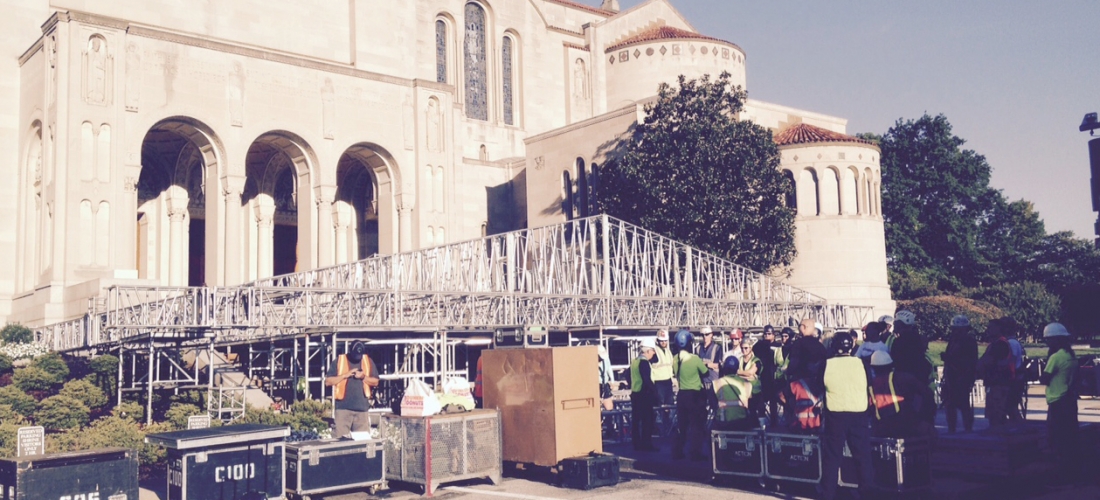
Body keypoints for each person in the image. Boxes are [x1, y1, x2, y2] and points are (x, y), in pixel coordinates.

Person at [821, 332, 873, 500]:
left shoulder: (826, 364)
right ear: (851, 346)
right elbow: (868, 384)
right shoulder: (862, 363)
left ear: (834, 346)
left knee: (832, 457)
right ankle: (867, 493)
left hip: (835, 414)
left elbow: (817, 386)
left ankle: (828, 494)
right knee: (862, 456)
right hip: (859, 413)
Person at [1041, 322, 1079, 484]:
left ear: (1055, 340)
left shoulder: (1056, 357)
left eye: (1048, 341)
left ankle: (1059, 476)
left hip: (1057, 401)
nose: (1047, 344)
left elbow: (1045, 378)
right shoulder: (1071, 355)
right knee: (1069, 439)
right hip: (1069, 399)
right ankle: (1071, 474)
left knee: (1056, 439)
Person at [868, 350, 935, 438]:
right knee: (931, 432)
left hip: (880, 429)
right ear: (891, 365)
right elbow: (926, 392)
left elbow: (869, 410)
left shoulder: (871, 385)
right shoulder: (902, 378)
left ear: (873, 368)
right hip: (904, 424)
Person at [324, 341, 380, 438]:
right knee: (340, 441)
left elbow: (376, 382)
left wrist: (363, 377)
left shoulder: (367, 361)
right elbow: (328, 382)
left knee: (362, 443)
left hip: (362, 410)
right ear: (350, 351)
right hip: (343, 409)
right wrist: (345, 375)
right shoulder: (339, 360)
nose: (357, 358)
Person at [671, 329, 708, 461]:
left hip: (682, 395)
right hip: (695, 395)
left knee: (682, 425)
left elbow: (676, 374)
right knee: (696, 425)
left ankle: (678, 450)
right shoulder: (694, 359)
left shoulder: (675, 359)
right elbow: (705, 372)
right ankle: (695, 452)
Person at [941, 314, 978, 433]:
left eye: (957, 330)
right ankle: (952, 427)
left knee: (964, 405)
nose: (955, 332)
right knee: (949, 404)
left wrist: (949, 359)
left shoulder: (969, 341)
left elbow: (969, 361)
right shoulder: (953, 341)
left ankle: (968, 428)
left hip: (962, 377)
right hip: (950, 376)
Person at [980, 318, 1015, 428]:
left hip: (999, 384)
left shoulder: (1000, 344)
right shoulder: (994, 344)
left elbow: (988, 362)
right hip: (995, 383)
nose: (988, 330)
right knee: (993, 414)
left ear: (999, 329)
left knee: (997, 414)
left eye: (991, 328)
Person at [630, 338, 659, 452]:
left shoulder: (634, 362)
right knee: (647, 421)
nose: (654, 353)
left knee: (636, 421)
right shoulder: (644, 363)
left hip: (635, 394)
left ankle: (637, 444)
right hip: (644, 395)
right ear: (647, 351)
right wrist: (654, 391)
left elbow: (629, 376)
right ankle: (646, 444)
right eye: (652, 351)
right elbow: (646, 380)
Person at [712, 356, 755, 431]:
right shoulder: (746, 383)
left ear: (724, 368)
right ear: (737, 369)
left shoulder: (717, 383)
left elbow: (713, 405)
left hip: (723, 423)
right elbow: (751, 406)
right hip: (742, 423)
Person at [787, 319, 827, 385]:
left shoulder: (798, 344)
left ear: (804, 327)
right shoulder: (821, 346)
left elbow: (793, 364)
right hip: (816, 383)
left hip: (800, 383)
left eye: (799, 326)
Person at [753, 325, 780, 422]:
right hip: (763, 376)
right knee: (761, 401)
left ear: (773, 335)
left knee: (773, 401)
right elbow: (754, 351)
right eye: (765, 334)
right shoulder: (760, 345)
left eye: (769, 334)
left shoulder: (778, 346)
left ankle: (774, 421)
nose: (767, 336)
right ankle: (762, 421)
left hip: (774, 376)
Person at [651, 329, 675, 406]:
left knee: (670, 404)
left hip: (668, 381)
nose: (664, 342)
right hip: (658, 382)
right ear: (657, 340)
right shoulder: (654, 351)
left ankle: (668, 418)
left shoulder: (668, 351)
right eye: (662, 341)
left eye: (665, 341)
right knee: (660, 405)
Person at [597, 345, 615, 411]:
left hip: (605, 383)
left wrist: (612, 381)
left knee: (609, 407)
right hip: (596, 384)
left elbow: (609, 368)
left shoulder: (606, 359)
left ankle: (609, 419)